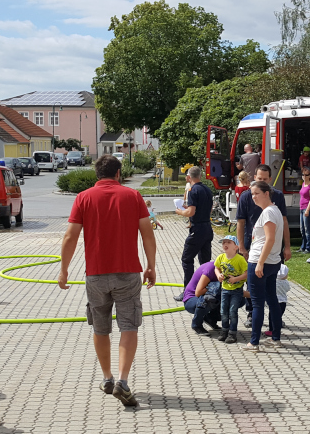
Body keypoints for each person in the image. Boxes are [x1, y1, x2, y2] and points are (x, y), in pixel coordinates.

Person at [59, 154, 156, 408]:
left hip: (96, 274)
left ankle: (107, 377)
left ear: (97, 174)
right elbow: (147, 234)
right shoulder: (133, 196)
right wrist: (151, 266)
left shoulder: (84, 197)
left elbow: (70, 237)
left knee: (100, 327)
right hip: (127, 273)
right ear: (118, 173)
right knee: (129, 325)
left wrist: (64, 270)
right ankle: (123, 380)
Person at [243, 181, 284, 351]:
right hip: (272, 261)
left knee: (258, 303)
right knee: (272, 299)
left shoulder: (268, 213)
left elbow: (270, 239)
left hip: (261, 262)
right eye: (252, 194)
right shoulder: (274, 211)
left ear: (267, 193)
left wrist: (259, 262)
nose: (253, 197)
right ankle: (275, 338)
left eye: (256, 193)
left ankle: (254, 342)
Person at [173, 166, 213, 302]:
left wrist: (180, 212)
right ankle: (205, 289)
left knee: (187, 259)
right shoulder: (207, 190)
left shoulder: (192, 190)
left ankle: (188, 291)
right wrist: (188, 209)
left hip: (197, 229)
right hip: (208, 227)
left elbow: (191, 213)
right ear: (200, 176)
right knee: (205, 262)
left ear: (189, 177)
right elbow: (207, 208)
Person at [214, 235, 247, 344]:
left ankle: (232, 333)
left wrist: (236, 279)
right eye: (223, 243)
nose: (225, 244)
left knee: (232, 311)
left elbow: (247, 273)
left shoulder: (240, 259)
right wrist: (218, 275)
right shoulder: (221, 257)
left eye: (228, 242)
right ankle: (224, 331)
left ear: (236, 247)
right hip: (224, 289)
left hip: (236, 290)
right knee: (223, 311)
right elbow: (216, 268)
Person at [182, 260, 221, 335]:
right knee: (210, 298)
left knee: (238, 300)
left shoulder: (231, 270)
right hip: (191, 299)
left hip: (204, 295)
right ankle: (197, 325)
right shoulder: (210, 269)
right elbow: (198, 292)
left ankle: (211, 319)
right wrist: (214, 288)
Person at [265, 264, 291, 338]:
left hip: (274, 301)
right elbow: (288, 289)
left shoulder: (272, 282)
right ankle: (277, 328)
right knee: (279, 316)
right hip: (283, 301)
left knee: (272, 316)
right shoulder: (285, 282)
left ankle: (271, 329)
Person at [298, 168, 310, 254]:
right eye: (303, 175)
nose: (304, 177)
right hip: (302, 208)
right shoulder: (303, 184)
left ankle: (309, 248)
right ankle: (303, 246)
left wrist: (308, 210)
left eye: (306, 175)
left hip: (308, 209)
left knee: (308, 229)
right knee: (302, 229)